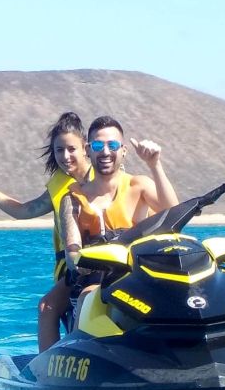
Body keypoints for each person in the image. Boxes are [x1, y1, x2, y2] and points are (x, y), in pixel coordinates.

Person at [0, 112, 91, 351]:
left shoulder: (103, 178)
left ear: (85, 148)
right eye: (59, 150)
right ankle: (50, 370)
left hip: (100, 265)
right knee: (47, 308)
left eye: (71, 149)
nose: (65, 156)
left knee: (48, 307)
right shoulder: (59, 185)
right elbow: (22, 210)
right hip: (70, 270)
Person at [57, 115, 179, 346]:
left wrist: (155, 165)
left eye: (112, 145)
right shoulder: (72, 198)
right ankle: (75, 353)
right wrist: (80, 261)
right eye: (97, 145)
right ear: (87, 150)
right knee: (86, 297)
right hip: (94, 281)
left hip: (138, 279)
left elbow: (174, 213)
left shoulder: (139, 185)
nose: (105, 152)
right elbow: (72, 251)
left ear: (123, 151)